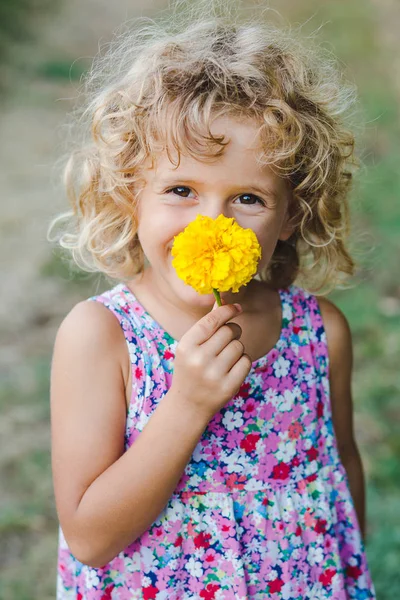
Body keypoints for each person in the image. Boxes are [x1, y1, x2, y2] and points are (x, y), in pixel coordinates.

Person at [48, 3, 376, 598]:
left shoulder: (318, 333)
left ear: (288, 216)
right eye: (180, 190)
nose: (211, 222)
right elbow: (91, 537)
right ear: (131, 195)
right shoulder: (102, 336)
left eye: (247, 198)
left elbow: (340, 471)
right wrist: (188, 403)